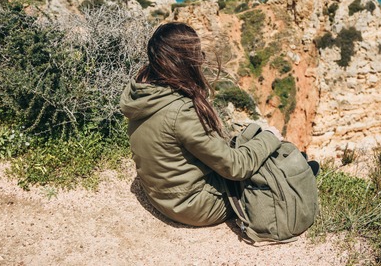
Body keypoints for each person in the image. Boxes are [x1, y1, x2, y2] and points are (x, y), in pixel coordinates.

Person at [120, 22, 283, 226]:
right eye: (197, 55)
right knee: (263, 162)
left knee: (248, 146)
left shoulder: (143, 92)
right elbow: (236, 167)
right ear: (184, 62)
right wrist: (270, 137)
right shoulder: (181, 112)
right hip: (193, 206)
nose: (201, 60)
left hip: (158, 194)